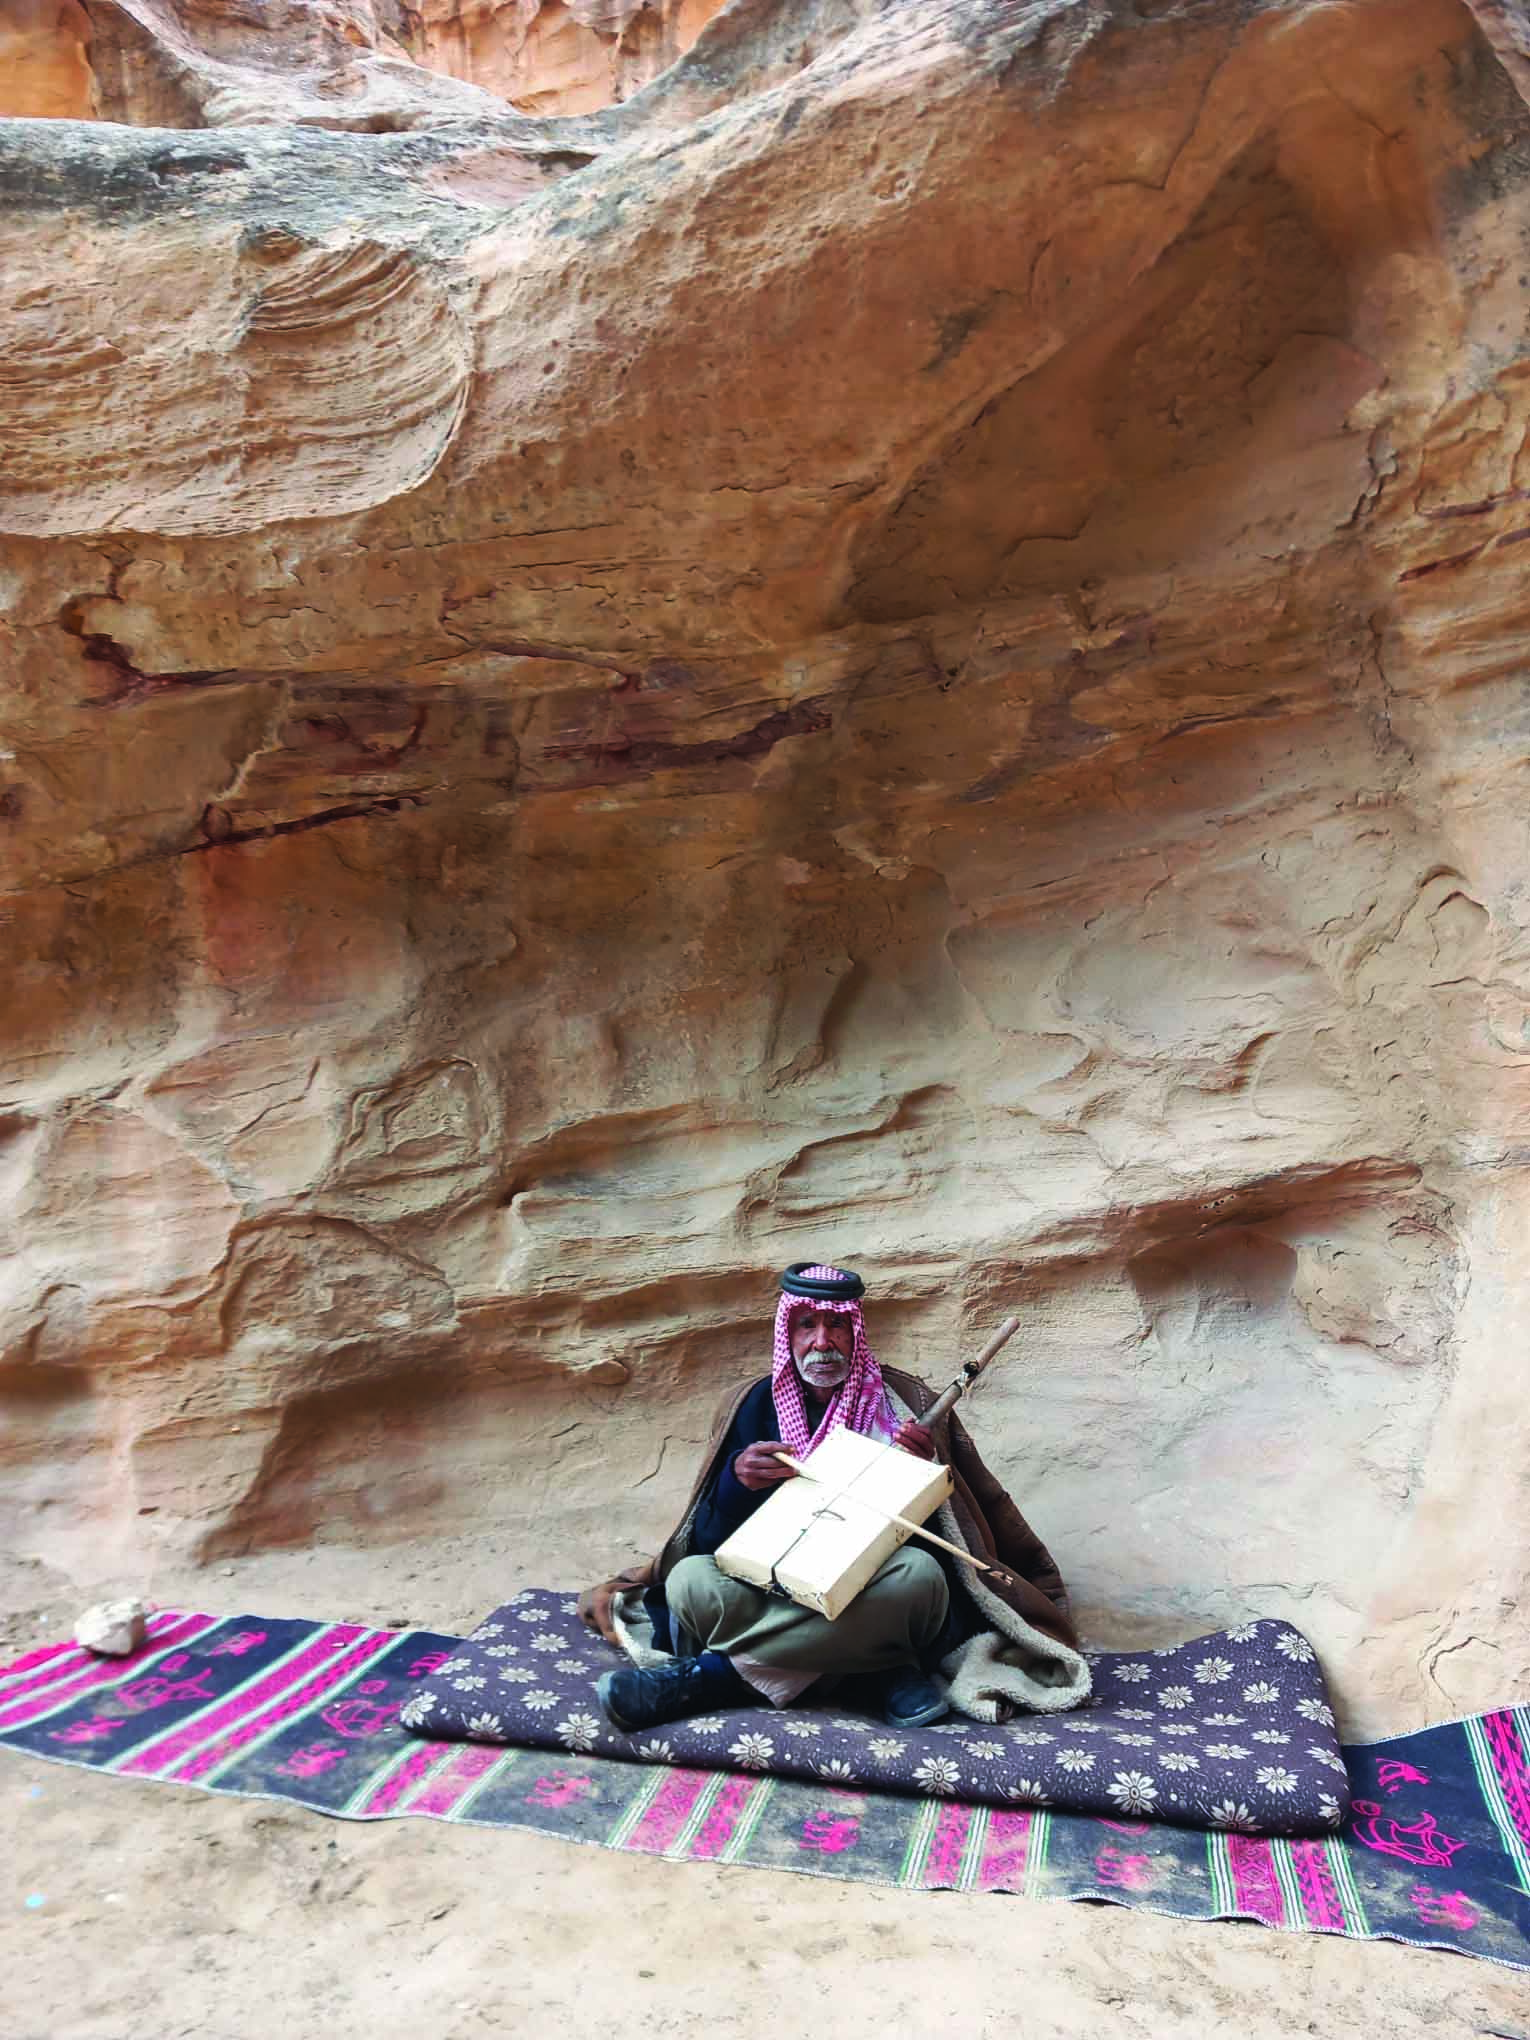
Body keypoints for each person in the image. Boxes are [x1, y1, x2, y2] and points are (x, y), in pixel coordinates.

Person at [582, 1262, 1090, 1735]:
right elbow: (710, 1540)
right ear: (787, 1333)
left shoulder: (902, 1403)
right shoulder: (752, 1403)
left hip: (873, 1592)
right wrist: (737, 1483)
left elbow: (951, 1543)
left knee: (919, 1577)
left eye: (836, 1327)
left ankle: (715, 1678)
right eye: (806, 1326)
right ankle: (879, 1670)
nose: (822, 1343)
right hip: (772, 1588)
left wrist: (923, 1474)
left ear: (855, 1332)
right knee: (690, 1581)